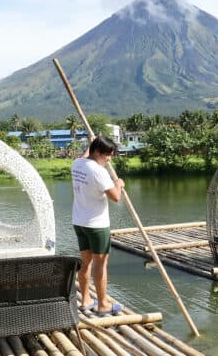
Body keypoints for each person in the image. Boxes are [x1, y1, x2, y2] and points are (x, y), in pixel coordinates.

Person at [71, 135, 125, 316]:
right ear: (98, 152)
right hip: (97, 225)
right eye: (108, 155)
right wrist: (118, 183)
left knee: (85, 262)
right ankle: (103, 305)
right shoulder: (98, 172)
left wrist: (91, 141)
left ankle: (86, 300)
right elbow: (116, 197)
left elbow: (86, 154)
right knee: (101, 264)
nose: (109, 159)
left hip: (79, 222)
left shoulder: (77, 164)